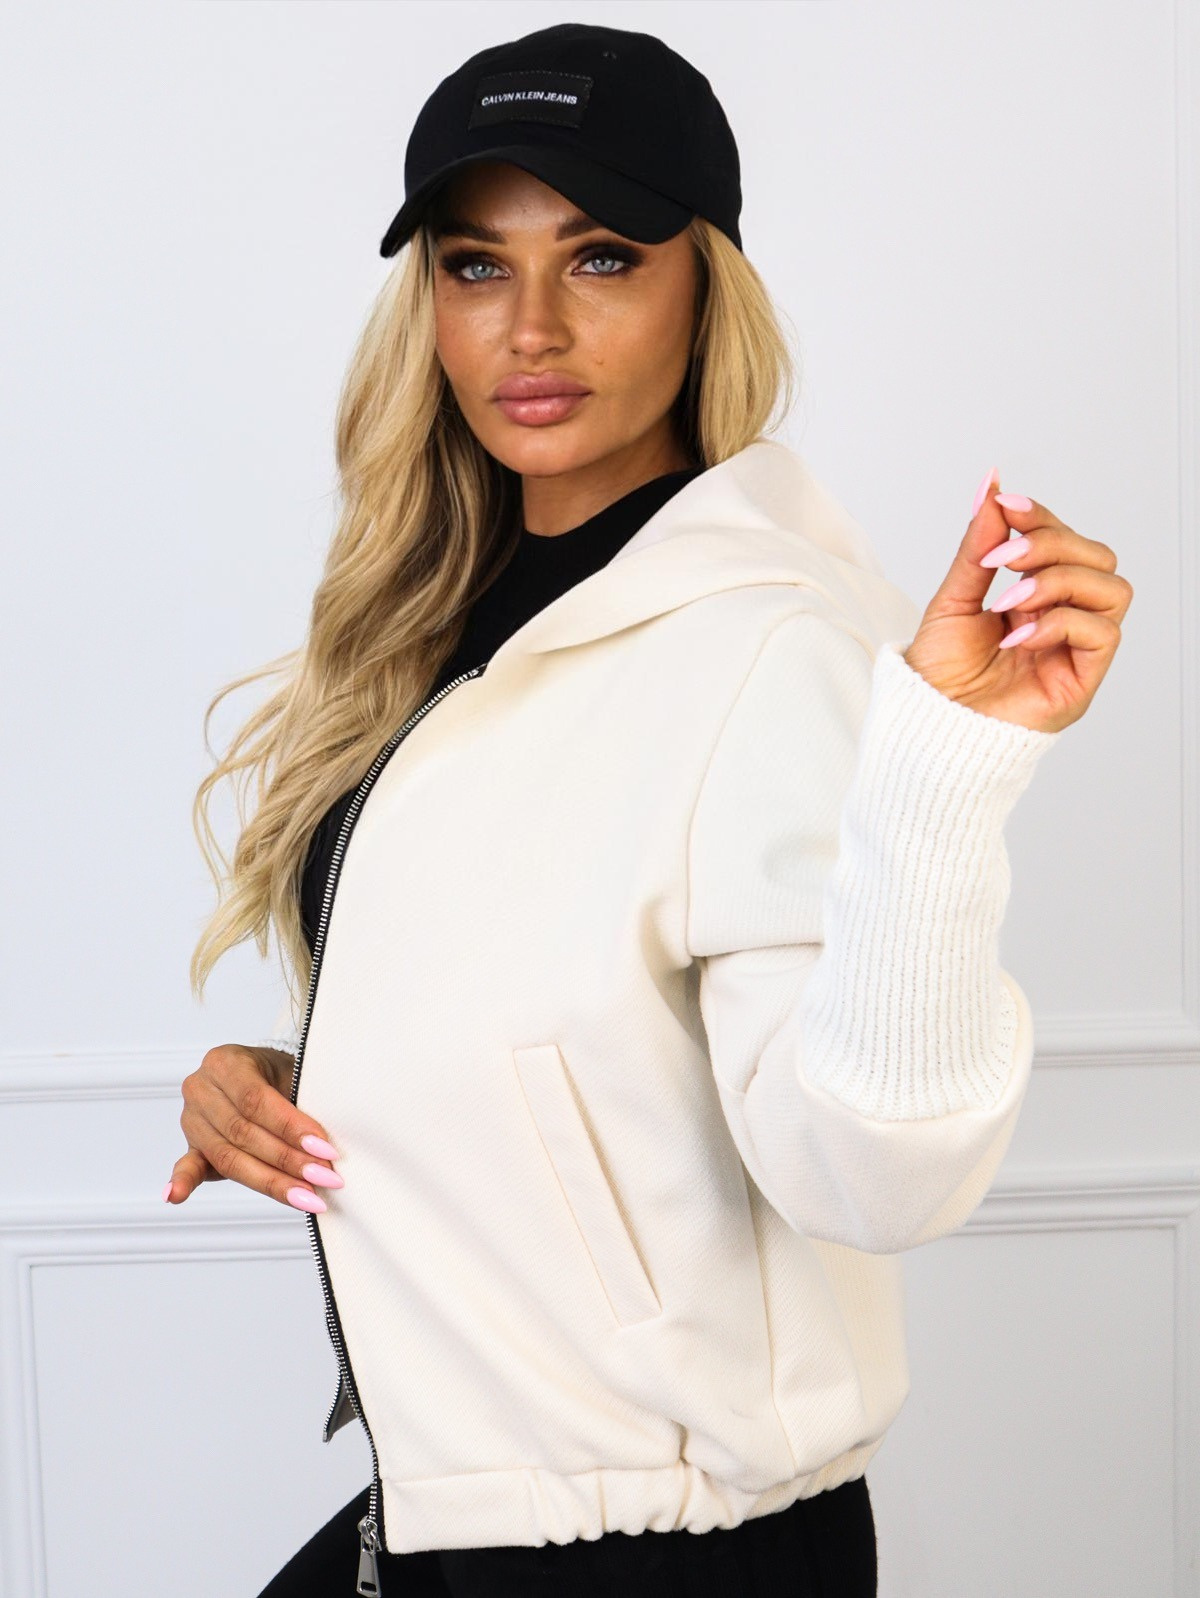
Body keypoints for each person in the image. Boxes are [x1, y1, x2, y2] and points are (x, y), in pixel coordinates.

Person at [166, 21, 1132, 1598]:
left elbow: (876, 1174)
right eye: (476, 266)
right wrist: (308, 1076)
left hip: (663, 1554)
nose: (531, 326)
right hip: (455, 1511)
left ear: (707, 289)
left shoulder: (767, 644)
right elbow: (559, 1026)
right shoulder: (441, 630)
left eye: (602, 256)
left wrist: (948, 769)